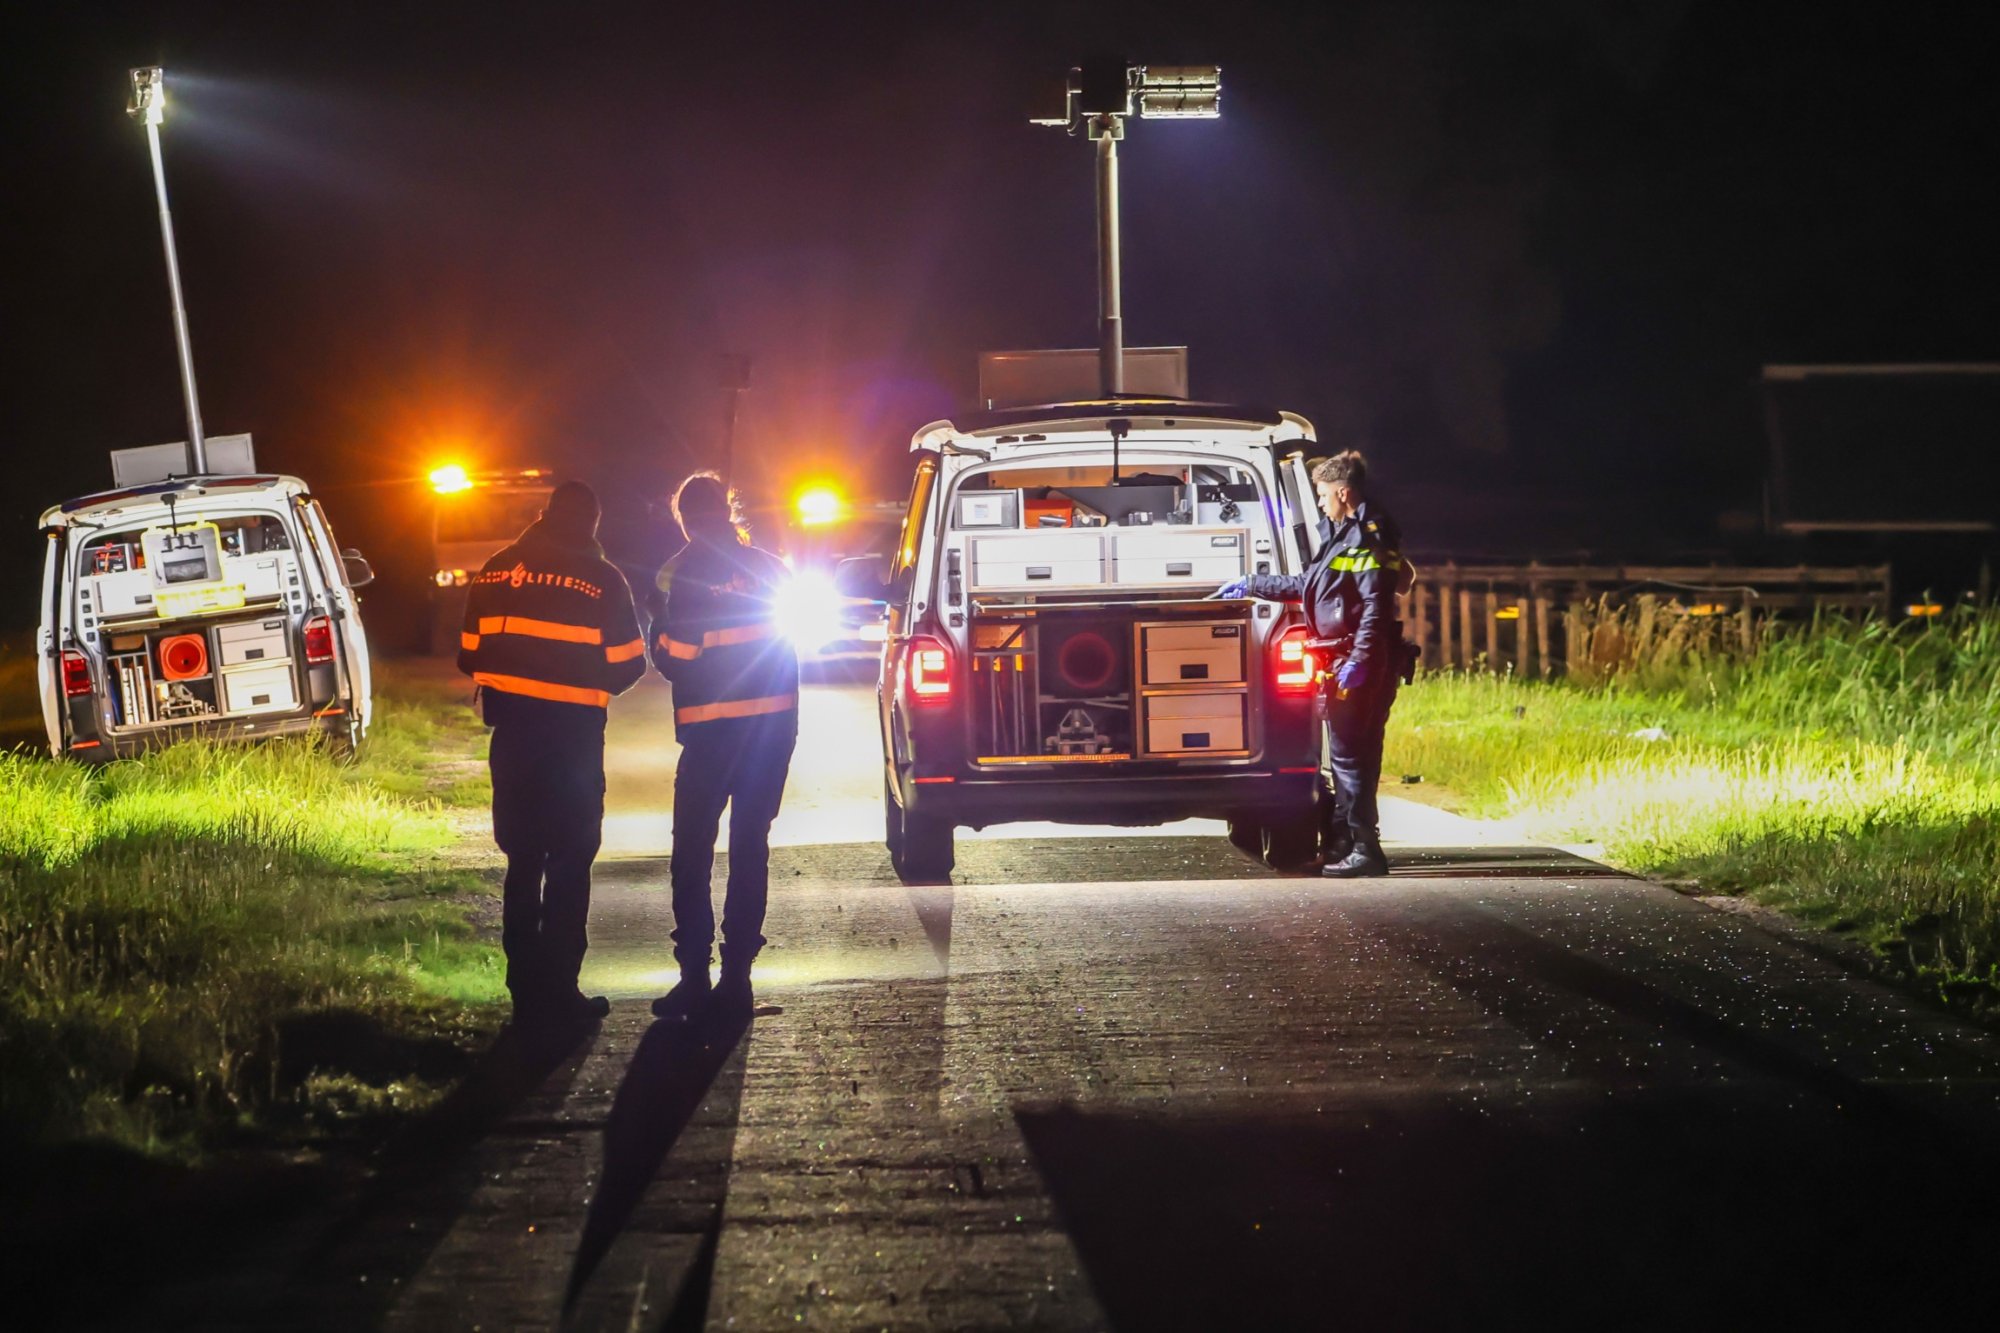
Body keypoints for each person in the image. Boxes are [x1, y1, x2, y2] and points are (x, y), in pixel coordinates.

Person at [457, 480, 647, 1026]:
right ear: (591, 523)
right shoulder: (602, 578)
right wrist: (581, 681)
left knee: (522, 860)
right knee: (569, 860)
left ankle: (524, 991)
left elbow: (468, 655)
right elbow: (629, 664)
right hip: (572, 742)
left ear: (545, 514)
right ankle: (562, 992)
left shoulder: (496, 570)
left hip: (513, 739)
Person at [1216, 449, 1412, 877]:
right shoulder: (1345, 534)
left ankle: (1365, 849)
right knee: (1352, 759)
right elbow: (1309, 585)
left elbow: (1376, 608)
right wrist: (1253, 583)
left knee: (1351, 760)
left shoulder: (1367, 538)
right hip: (1348, 658)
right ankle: (1347, 844)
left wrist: (1359, 661)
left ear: (1343, 493)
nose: (1320, 503)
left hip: (1356, 661)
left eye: (1323, 495)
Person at [648, 473, 800, 1021]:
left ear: (686, 520)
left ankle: (694, 976)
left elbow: (678, 656)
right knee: (749, 847)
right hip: (771, 733)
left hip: (710, 736)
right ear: (728, 512)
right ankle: (738, 980)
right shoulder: (772, 568)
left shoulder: (685, 574)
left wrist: (657, 634)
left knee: (691, 853)